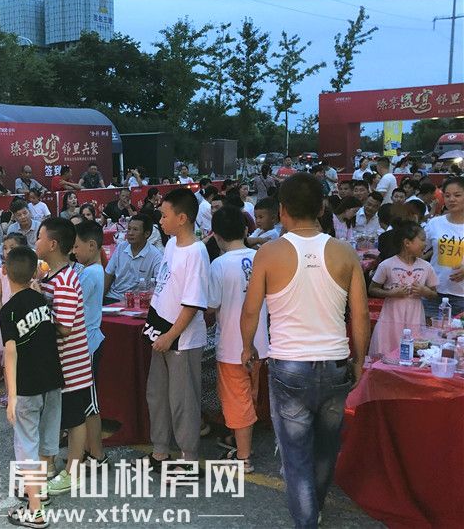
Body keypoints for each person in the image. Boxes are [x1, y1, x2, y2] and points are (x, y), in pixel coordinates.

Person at [240, 172, 369, 528]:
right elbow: (360, 314)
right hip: (335, 362)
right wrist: (360, 360)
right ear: (322, 208)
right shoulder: (344, 252)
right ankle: (315, 509)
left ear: (282, 210)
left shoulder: (269, 253)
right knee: (326, 448)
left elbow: (251, 310)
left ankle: (306, 520)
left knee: (296, 455)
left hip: (289, 366)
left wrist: (248, 347)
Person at [141, 188, 209, 478]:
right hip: (160, 332)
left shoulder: (196, 252)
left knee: (183, 400)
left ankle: (188, 457)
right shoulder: (170, 245)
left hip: (182, 339)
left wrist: (170, 336)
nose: (161, 220)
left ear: (182, 218)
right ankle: (160, 450)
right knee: (157, 395)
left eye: (165, 215)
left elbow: (193, 303)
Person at [1, 246, 64, 527]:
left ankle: (35, 511)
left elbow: (10, 352)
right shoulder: (41, 300)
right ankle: (40, 492)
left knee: (27, 445)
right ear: (34, 273)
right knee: (45, 440)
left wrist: (12, 395)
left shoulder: (8, 311)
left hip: (27, 386)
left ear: (5, 272)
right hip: (52, 381)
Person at [35, 217, 96, 495]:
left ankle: (73, 472)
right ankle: (56, 465)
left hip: (71, 367)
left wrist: (38, 305)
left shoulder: (66, 282)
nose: (36, 242)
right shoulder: (50, 276)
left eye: (39, 237)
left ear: (53, 244)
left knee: (74, 420)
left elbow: (64, 327)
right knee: (57, 417)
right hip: (58, 365)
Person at [208, 205, 269, 472]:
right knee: (250, 395)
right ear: (246, 231)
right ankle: (243, 445)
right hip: (260, 342)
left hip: (232, 345)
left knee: (237, 400)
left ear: (216, 235)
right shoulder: (260, 257)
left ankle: (243, 457)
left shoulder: (219, 265)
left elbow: (211, 304)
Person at [368, 221, 438, 359]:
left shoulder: (426, 267)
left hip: (415, 317)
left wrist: (424, 291)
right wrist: (391, 293)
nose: (425, 244)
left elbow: (434, 293)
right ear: (407, 243)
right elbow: (372, 289)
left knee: (412, 354)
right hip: (391, 318)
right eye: (422, 239)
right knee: (388, 355)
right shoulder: (387, 265)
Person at [72, 221, 107, 466]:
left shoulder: (91, 273)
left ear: (92, 246)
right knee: (85, 403)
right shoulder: (90, 270)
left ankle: (98, 454)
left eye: (76, 246)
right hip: (86, 343)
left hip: (88, 345)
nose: (73, 251)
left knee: (90, 405)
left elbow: (72, 303)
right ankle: (88, 450)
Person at [0, 232, 28, 407]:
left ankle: (22, 390)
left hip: (22, 317)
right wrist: (2, 312)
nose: (7, 251)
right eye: (5, 248)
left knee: (22, 355)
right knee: (7, 356)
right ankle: (9, 393)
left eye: (12, 247)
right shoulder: (0, 271)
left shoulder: (27, 271)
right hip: (3, 317)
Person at [423, 176, 464, 318]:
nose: (452, 199)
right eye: (447, 195)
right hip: (434, 293)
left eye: (457, 195)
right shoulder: (435, 223)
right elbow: (418, 250)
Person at [104, 214, 162, 304]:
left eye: (135, 230)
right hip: (114, 297)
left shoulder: (155, 255)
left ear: (147, 234)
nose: (130, 233)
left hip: (138, 301)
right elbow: (109, 274)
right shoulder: (121, 247)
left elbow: (159, 284)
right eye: (129, 229)